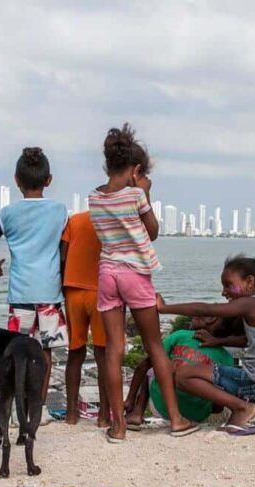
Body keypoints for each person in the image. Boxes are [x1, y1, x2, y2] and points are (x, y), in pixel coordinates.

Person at [88, 123, 199, 442]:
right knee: (154, 346)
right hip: (134, 274)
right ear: (137, 170)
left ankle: (118, 425)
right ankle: (176, 420)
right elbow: (151, 232)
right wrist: (146, 194)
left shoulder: (94, 198)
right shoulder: (137, 194)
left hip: (107, 273)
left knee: (113, 349)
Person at [0, 147, 68, 422]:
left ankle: (16, 411)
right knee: (45, 354)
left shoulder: (6, 214)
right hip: (50, 296)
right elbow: (64, 250)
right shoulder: (60, 211)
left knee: (17, 357)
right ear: (49, 179)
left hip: (20, 295)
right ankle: (37, 411)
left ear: (16, 180)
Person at [156, 254, 255, 435]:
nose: (224, 292)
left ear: (250, 282)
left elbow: (207, 309)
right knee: (245, 368)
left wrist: (165, 308)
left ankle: (242, 408)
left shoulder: (250, 304)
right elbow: (248, 340)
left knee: (183, 375)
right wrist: (219, 341)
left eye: (228, 285)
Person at [124, 316, 239, 428]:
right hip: (197, 414)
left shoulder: (181, 335)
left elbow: (142, 367)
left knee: (153, 366)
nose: (195, 314)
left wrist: (130, 398)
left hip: (161, 406)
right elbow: (218, 408)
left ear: (211, 319)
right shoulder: (227, 358)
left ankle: (137, 413)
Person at [61, 210, 110, 427]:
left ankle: (71, 414)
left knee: (75, 352)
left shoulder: (75, 220)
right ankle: (103, 416)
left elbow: (63, 255)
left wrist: (63, 285)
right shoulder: (112, 221)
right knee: (104, 355)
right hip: (102, 292)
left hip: (73, 290)